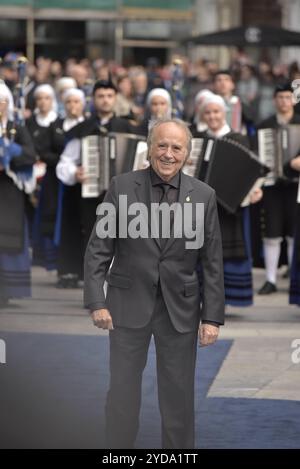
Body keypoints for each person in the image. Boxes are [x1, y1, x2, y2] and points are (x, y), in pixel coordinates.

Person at [84, 118, 225, 449]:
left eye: (177, 147)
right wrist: (96, 301)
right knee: (122, 392)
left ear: (188, 154)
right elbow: (98, 249)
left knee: (178, 395)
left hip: (181, 310)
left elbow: (213, 262)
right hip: (126, 306)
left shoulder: (204, 196)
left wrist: (212, 317)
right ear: (149, 148)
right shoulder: (121, 187)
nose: (168, 153)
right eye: (162, 145)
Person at [192, 93, 262, 308]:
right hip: (201, 205)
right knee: (201, 252)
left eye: (216, 112)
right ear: (203, 115)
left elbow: (251, 170)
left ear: (224, 114)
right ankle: (201, 297)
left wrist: (254, 190)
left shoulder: (238, 138)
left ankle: (228, 297)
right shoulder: (197, 138)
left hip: (230, 207)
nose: (212, 116)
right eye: (208, 112)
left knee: (226, 253)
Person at [256, 83, 300, 294]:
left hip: (297, 186)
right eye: (280, 97)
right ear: (274, 100)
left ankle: (293, 275)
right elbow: (257, 157)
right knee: (271, 232)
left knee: (294, 232)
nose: (284, 101)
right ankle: (270, 279)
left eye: (287, 97)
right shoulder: (265, 125)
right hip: (273, 185)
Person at [0, 82, 35, 307]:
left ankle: (7, 289)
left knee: (8, 237)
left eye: (1, 101)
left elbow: (31, 155)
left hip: (9, 191)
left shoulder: (16, 128)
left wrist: (11, 157)